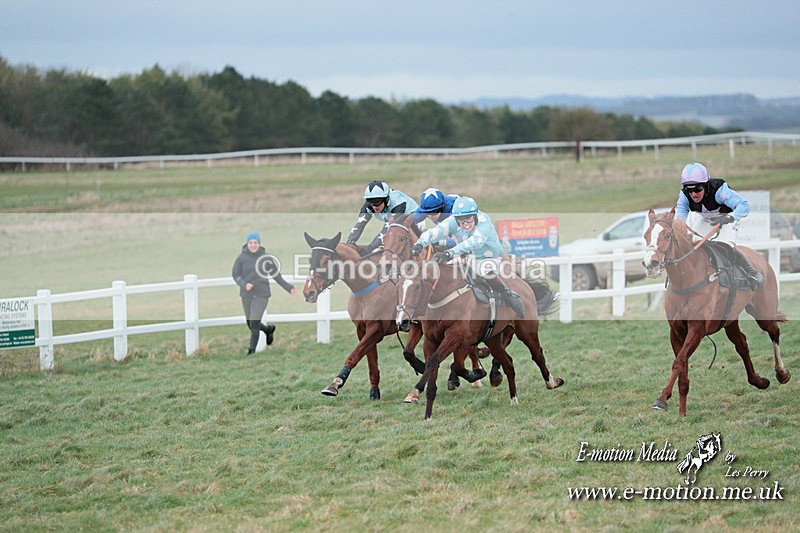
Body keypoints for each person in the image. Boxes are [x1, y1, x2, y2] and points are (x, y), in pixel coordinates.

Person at [410, 196, 525, 318]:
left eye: (469, 219)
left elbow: (473, 243)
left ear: (475, 216)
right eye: (461, 220)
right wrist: (420, 244)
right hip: (466, 256)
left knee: (484, 270)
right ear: (456, 218)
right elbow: (436, 231)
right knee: (443, 269)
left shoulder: (484, 221)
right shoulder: (453, 221)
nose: (465, 224)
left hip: (488, 257)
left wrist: (449, 253)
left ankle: (507, 293)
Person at [675, 162, 764, 290]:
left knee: (724, 247)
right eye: (689, 189)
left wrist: (729, 217)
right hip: (706, 219)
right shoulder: (684, 195)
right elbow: (679, 219)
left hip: (728, 217)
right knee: (692, 245)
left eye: (698, 188)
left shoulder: (720, 190)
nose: (693, 194)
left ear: (706, 185)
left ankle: (751, 272)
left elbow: (743, 205)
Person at [232, 232, 298, 355]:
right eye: (251, 243)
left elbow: (276, 276)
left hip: (262, 294)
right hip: (246, 294)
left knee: (254, 322)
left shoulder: (266, 258)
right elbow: (235, 274)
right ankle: (268, 330)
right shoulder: (241, 258)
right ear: (247, 244)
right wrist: (244, 284)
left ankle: (251, 351)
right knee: (250, 323)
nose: (253, 245)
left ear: (259, 244)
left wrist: (289, 288)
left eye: (255, 243)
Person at [346, 180, 420, 256]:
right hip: (395, 222)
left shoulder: (398, 204)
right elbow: (359, 224)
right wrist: (349, 243)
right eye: (371, 201)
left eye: (377, 202)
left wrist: (369, 248)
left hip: (415, 221)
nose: (375, 206)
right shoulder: (369, 205)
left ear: (386, 199)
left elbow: (387, 229)